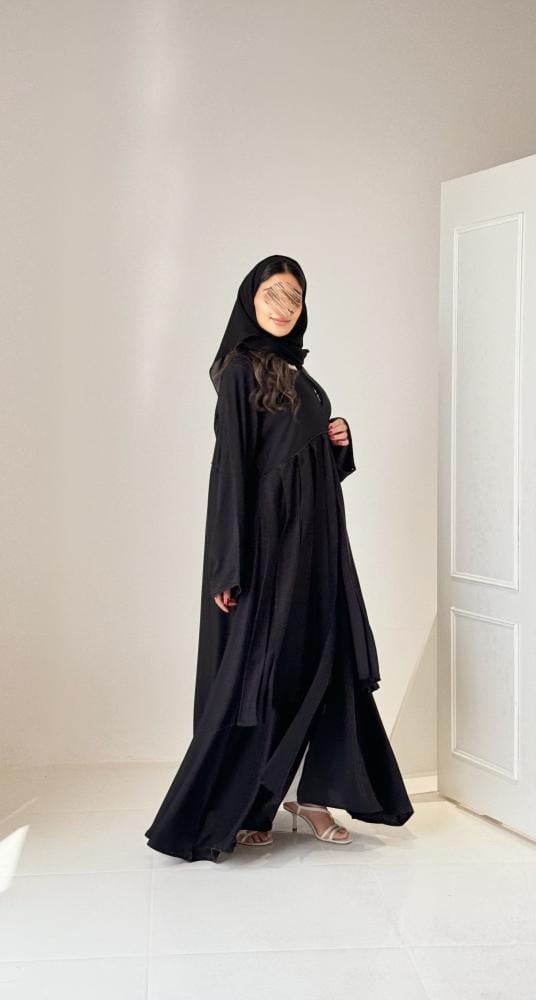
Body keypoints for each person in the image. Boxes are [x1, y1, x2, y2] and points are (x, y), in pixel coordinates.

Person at [144, 253, 414, 862]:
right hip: (270, 548)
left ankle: (309, 797)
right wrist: (228, 564)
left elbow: (306, 466)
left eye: (294, 298)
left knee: (320, 659)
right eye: (273, 294)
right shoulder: (240, 370)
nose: (284, 307)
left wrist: (337, 440)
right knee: (265, 671)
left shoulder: (299, 373)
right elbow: (232, 470)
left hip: (319, 546)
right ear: (250, 300)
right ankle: (252, 802)